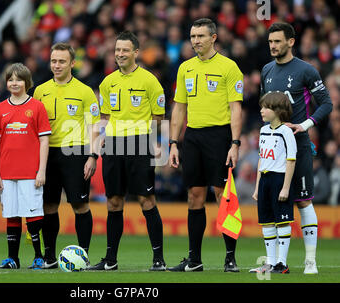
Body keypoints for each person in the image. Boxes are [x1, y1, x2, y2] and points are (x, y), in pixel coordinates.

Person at [168, 18, 243, 272]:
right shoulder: (185, 68)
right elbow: (179, 107)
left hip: (219, 137)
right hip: (193, 137)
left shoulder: (229, 67)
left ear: (214, 38)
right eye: (192, 36)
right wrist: (173, 143)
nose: (195, 41)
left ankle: (230, 257)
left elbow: (236, 108)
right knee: (194, 196)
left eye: (200, 36)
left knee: (223, 195)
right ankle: (194, 259)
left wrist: (234, 143)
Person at [88, 31, 167, 271]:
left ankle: (159, 260)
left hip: (139, 143)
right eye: (117, 50)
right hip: (113, 143)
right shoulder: (107, 82)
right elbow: (105, 116)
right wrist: (102, 137)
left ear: (136, 53)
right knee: (113, 201)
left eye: (125, 50)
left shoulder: (149, 81)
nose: (120, 54)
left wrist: (153, 141)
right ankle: (110, 260)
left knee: (146, 199)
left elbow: (158, 115)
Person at [260, 22, 333, 274]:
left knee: (302, 201)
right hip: (273, 149)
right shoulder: (266, 70)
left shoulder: (306, 70)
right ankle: (275, 261)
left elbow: (326, 104)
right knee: (273, 203)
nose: (273, 46)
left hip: (297, 146)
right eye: (270, 41)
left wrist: (304, 124)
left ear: (291, 42)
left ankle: (310, 261)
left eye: (278, 41)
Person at [32, 43, 100, 269]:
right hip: (48, 154)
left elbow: (95, 126)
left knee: (79, 205)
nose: (57, 65)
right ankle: (49, 257)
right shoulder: (40, 90)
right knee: (49, 206)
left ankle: (84, 255)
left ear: (72, 63)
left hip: (76, 153)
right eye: (53, 61)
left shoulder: (85, 91)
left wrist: (92, 156)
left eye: (61, 61)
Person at [0, 63, 51, 269]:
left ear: (27, 82)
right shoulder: (0, 109)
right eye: (11, 79)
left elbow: (44, 141)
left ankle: (38, 257)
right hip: (7, 172)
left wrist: (41, 170)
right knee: (12, 214)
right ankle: (13, 259)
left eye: (18, 79)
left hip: (30, 172)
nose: (14, 83)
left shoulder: (37, 107)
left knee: (33, 214)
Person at [249, 92, 297, 274]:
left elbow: (291, 160)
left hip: (279, 179)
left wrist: (285, 187)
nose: (261, 110)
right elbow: (262, 159)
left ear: (277, 110)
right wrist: (257, 186)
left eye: (266, 107)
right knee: (267, 222)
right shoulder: (263, 130)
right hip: (265, 180)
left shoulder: (286, 132)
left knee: (282, 221)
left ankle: (282, 263)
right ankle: (270, 263)